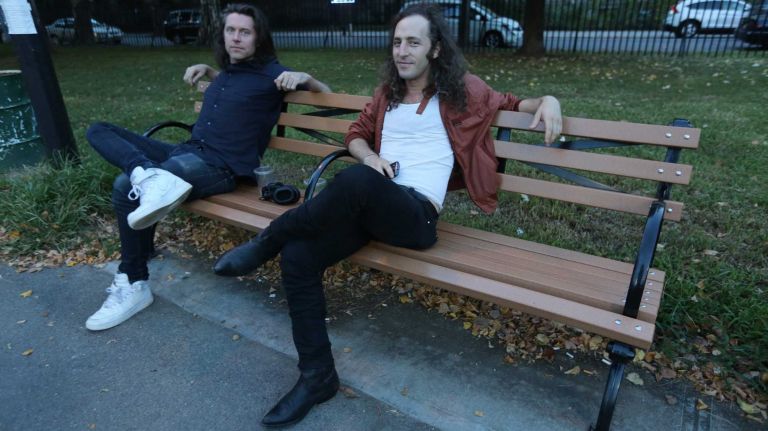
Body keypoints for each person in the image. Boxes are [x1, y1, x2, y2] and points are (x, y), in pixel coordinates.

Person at [213, 3, 562, 427]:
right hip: (373, 206)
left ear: (435, 50)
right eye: (397, 42)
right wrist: (370, 155)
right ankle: (317, 377)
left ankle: (268, 239)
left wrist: (549, 100)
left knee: (356, 182)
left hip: (416, 217)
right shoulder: (387, 95)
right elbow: (356, 135)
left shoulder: (463, 90)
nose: (402, 51)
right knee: (300, 257)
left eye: (413, 42)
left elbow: (514, 101)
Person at [84, 3, 331, 332]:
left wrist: (306, 77)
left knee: (121, 185)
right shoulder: (229, 71)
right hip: (188, 152)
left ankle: (134, 281)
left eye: (245, 32)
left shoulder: (275, 75)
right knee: (98, 129)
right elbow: (237, 85)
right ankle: (147, 173)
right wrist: (210, 71)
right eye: (231, 31)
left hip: (222, 167)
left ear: (259, 38)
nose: (236, 38)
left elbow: (327, 98)